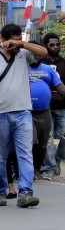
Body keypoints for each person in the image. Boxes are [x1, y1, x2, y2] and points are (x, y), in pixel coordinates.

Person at [0, 23, 47, 208]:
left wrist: (22, 44)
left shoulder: (23, 54)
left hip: (23, 112)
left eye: (18, 39)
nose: (15, 43)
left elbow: (42, 53)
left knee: (25, 154)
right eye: (12, 40)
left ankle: (25, 192)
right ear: (2, 40)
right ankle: (0, 191)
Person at [28, 45, 65, 180]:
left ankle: (37, 168)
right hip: (26, 112)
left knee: (43, 143)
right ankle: (27, 170)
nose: (35, 56)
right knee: (29, 141)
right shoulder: (20, 69)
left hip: (44, 112)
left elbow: (60, 87)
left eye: (38, 54)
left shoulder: (48, 70)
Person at [42, 33, 65, 179]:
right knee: (48, 140)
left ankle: (56, 160)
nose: (55, 47)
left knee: (63, 137)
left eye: (57, 44)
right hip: (46, 108)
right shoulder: (41, 63)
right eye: (52, 45)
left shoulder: (63, 62)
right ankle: (50, 169)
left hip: (63, 107)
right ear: (46, 46)